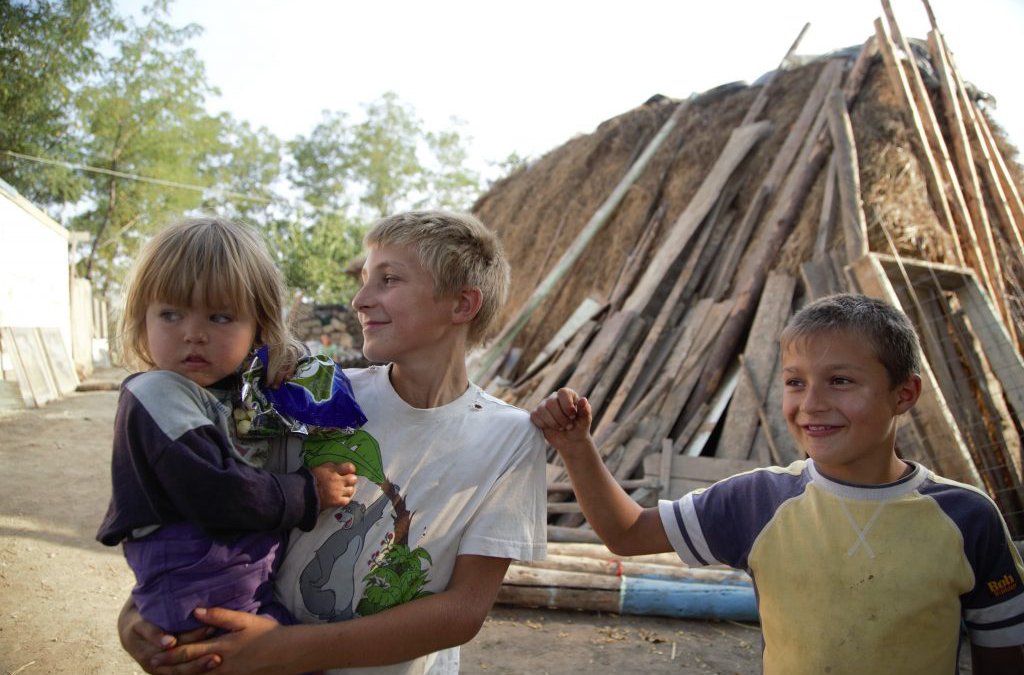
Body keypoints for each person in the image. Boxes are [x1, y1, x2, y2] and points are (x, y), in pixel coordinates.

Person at [118, 210, 548, 674]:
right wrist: (139, 612)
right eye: (363, 280)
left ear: (462, 305)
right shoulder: (314, 396)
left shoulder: (511, 439)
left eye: (387, 280)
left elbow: (463, 611)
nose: (359, 300)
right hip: (252, 652)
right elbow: (219, 506)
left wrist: (290, 649)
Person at [531, 293, 1024, 675]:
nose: (811, 403)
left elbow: (1004, 655)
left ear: (904, 394)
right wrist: (577, 448)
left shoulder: (967, 519)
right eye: (795, 382)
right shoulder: (759, 501)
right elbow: (629, 532)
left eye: (840, 381)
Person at [96, 217, 361, 633]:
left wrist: (283, 358)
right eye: (170, 314)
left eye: (220, 317)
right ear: (141, 318)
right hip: (200, 585)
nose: (193, 334)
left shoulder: (239, 388)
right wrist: (309, 491)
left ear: (259, 325)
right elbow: (216, 491)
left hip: (237, 578)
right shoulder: (158, 393)